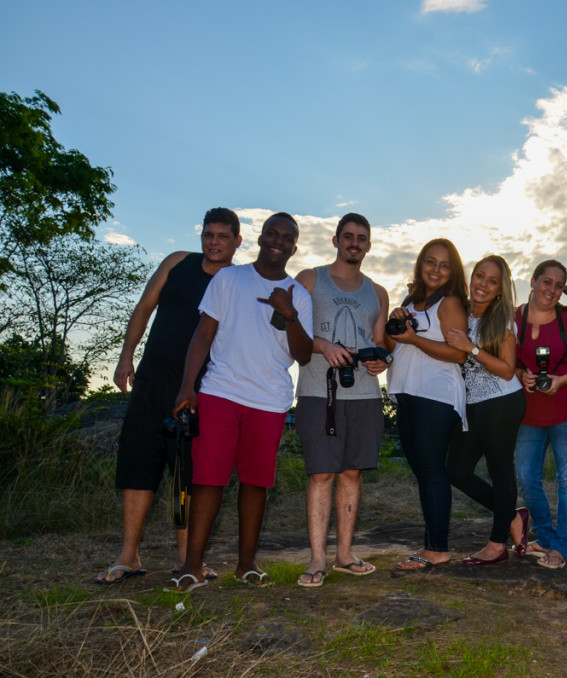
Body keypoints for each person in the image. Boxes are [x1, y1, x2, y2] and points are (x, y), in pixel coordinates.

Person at [168, 212, 313, 592]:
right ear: (260, 238)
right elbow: (203, 334)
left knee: (255, 483)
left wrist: (289, 313)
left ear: (294, 247)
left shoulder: (300, 295)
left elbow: (304, 354)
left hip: (269, 400)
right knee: (208, 480)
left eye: (287, 237)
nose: (278, 241)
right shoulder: (229, 279)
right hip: (221, 391)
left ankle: (246, 564)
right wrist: (188, 386)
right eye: (272, 233)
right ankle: (192, 566)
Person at [96, 207, 241, 585]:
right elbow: (144, 308)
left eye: (223, 236)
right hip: (152, 379)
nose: (214, 242)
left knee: (187, 474)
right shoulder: (177, 263)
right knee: (137, 464)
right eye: (209, 234)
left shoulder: (239, 282)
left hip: (203, 390)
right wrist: (126, 357)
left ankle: (185, 558)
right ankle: (128, 555)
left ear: (237, 242)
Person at [292, 213, 389, 586]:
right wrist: (324, 346)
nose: (354, 243)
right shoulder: (310, 280)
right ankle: (316, 559)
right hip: (319, 391)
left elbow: (378, 341)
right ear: (335, 240)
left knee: (352, 473)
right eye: (347, 236)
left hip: (364, 393)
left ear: (368, 244)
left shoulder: (377, 292)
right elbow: (290, 331)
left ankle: (344, 554)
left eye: (361, 238)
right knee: (321, 474)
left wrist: (380, 358)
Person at [384, 239, 469, 571]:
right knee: (424, 471)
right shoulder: (409, 301)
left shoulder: (448, 303)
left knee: (432, 470)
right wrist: (396, 321)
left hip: (436, 395)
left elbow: (459, 353)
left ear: (452, 272)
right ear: (420, 264)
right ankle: (432, 543)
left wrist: (415, 338)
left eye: (444, 265)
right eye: (430, 262)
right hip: (407, 393)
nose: (436, 269)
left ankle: (438, 548)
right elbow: (392, 345)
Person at [514, 260, 567, 570]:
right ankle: (546, 536)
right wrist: (521, 373)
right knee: (526, 477)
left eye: (558, 286)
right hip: (529, 413)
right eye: (546, 282)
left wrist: (561, 380)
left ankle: (560, 546)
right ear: (534, 281)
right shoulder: (514, 318)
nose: (551, 290)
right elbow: (503, 358)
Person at [444, 255, 528, 566]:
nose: (484, 284)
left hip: (502, 403)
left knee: (500, 470)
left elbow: (508, 371)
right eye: (480, 276)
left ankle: (497, 546)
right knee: (457, 471)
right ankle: (512, 516)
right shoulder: (459, 311)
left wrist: (471, 348)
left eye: (493, 281)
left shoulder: (502, 318)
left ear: (499, 290)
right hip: (471, 405)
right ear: (471, 277)